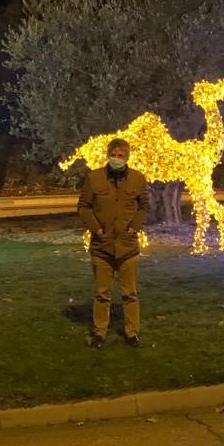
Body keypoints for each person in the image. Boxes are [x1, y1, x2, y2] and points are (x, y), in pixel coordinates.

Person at [77, 137, 150, 348]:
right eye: (114, 155)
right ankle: (99, 332)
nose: (117, 159)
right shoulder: (94, 178)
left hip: (128, 247)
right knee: (102, 294)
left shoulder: (137, 179)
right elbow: (83, 206)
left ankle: (131, 332)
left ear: (127, 157)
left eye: (121, 156)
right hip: (102, 247)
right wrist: (96, 228)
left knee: (130, 293)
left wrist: (133, 227)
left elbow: (144, 206)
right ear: (108, 155)